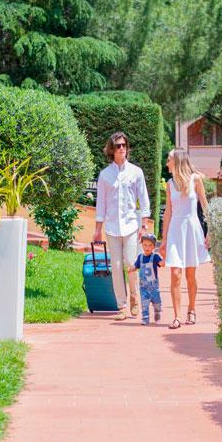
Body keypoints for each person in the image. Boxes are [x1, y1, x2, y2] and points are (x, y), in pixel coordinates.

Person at [93, 132, 151, 320]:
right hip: (112, 227)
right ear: (112, 149)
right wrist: (97, 230)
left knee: (131, 264)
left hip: (131, 225)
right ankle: (122, 306)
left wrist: (144, 225)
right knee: (116, 266)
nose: (122, 148)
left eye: (124, 145)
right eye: (118, 146)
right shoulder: (105, 175)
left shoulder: (136, 172)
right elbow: (100, 204)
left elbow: (144, 199)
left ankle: (134, 298)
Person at [160, 149, 211, 329]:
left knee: (190, 275)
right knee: (175, 274)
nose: (167, 163)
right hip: (175, 230)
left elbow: (205, 205)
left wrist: (210, 230)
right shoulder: (169, 184)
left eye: (169, 159)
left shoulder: (195, 180)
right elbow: (168, 212)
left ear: (178, 161)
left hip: (191, 229)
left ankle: (192, 309)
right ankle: (177, 316)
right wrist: (164, 239)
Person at [134, 233, 164, 325]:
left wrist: (164, 258)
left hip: (154, 287)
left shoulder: (155, 257)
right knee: (144, 304)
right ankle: (145, 318)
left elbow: (161, 264)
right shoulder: (140, 257)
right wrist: (132, 269)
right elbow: (136, 266)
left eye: (150, 245)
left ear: (154, 246)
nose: (147, 247)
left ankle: (157, 313)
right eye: (145, 245)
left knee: (157, 303)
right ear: (142, 245)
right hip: (143, 287)